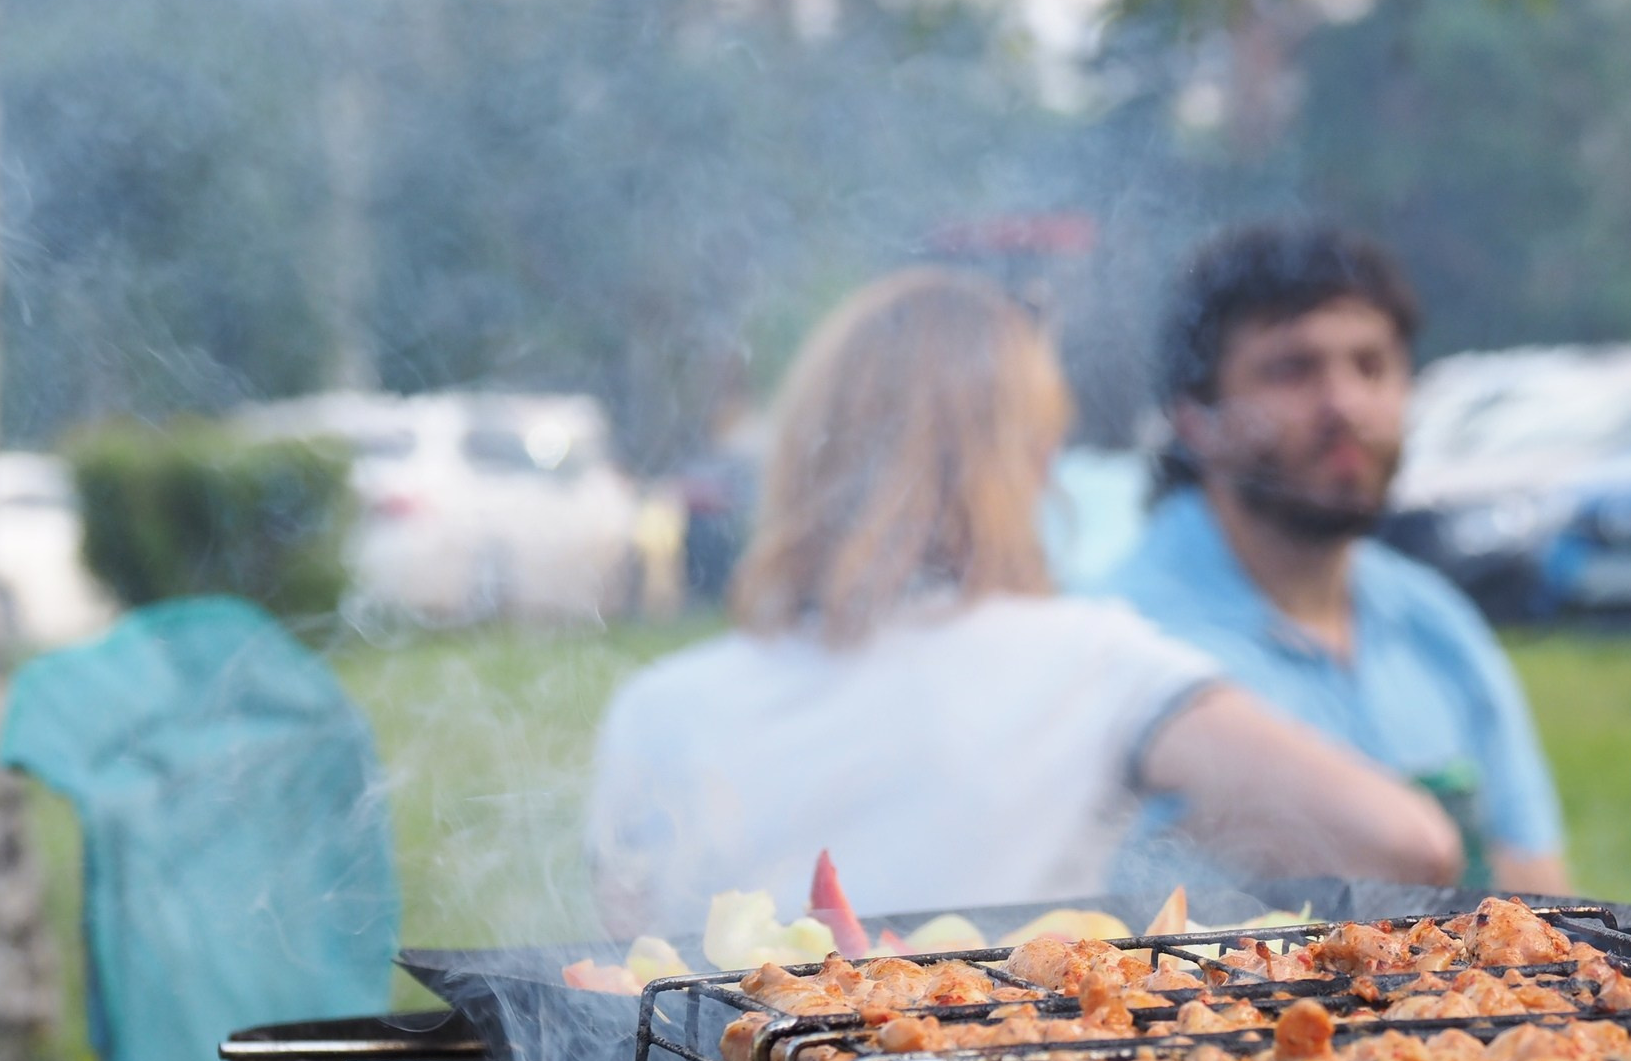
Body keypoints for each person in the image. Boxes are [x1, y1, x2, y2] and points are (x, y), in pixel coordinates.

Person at [587, 268, 1457, 934]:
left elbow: (632, 987)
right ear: (1028, 461)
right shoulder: (1092, 661)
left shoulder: (657, 705)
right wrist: (1191, 847)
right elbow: (1407, 844)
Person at [1100, 223, 1569, 895]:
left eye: (1371, 366)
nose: (1344, 405)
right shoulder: (1121, 643)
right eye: (1292, 369)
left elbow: (1545, 901)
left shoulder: (1438, 626)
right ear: (1196, 419)